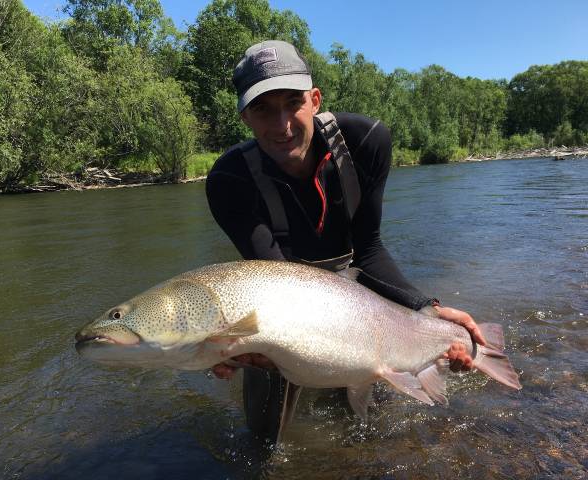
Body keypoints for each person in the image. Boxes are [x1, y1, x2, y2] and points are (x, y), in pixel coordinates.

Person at [205, 40, 485, 442]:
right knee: (262, 443)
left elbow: (368, 249)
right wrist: (225, 346)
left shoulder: (366, 141)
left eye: (293, 102)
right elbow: (274, 285)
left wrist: (428, 309)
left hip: (354, 296)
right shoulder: (229, 181)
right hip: (280, 300)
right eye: (263, 109)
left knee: (372, 432)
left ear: (315, 99)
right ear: (245, 117)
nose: (282, 124)